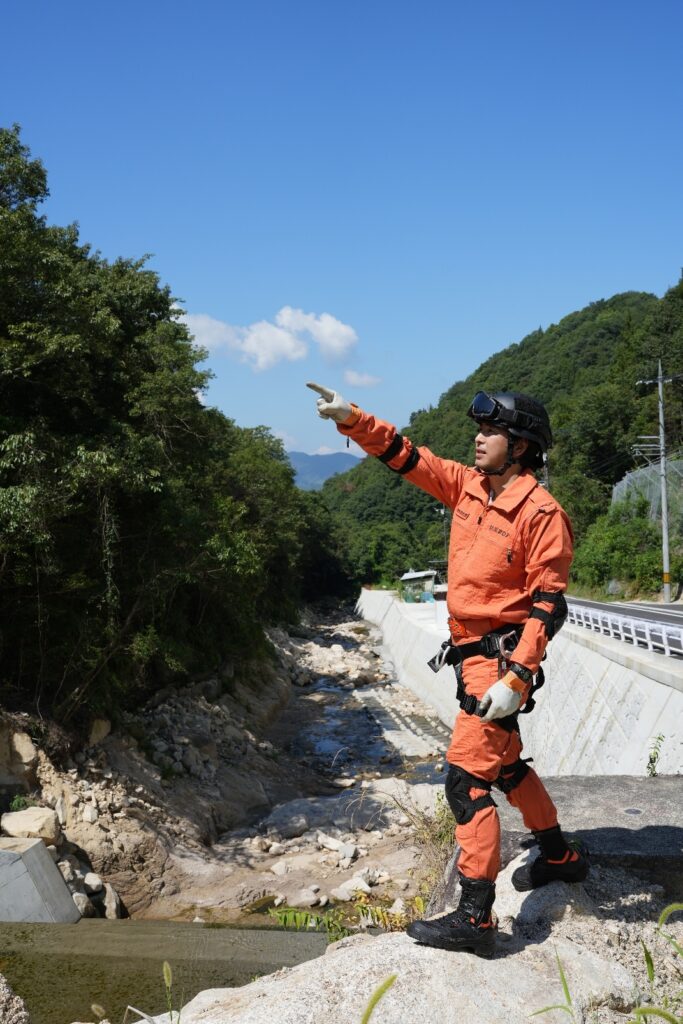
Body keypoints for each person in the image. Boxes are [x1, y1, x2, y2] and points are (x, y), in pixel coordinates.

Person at [307, 382, 589, 958]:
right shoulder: (467, 486)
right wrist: (350, 417)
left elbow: (548, 604)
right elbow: (405, 455)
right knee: (507, 766)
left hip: (499, 663)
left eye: (490, 432)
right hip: (467, 657)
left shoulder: (541, 513)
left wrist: (517, 676)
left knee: (465, 781)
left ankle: (475, 920)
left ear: (522, 446)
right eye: (480, 431)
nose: (478, 438)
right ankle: (559, 855)